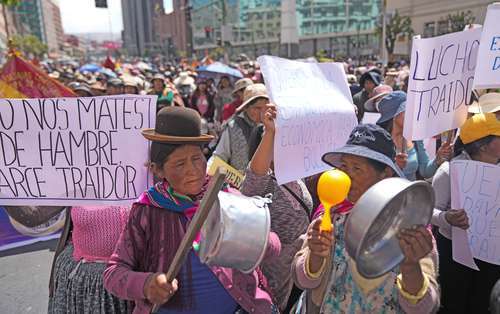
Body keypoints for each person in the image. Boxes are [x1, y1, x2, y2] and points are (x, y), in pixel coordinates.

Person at [103, 106, 280, 314]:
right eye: (179, 164)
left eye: (197, 158)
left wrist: (246, 238)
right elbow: (113, 273)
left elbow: (273, 247)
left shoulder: (226, 197)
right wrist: (147, 284)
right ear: (157, 170)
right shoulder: (148, 210)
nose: (192, 170)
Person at [292, 124, 440, 313]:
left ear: (385, 173)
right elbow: (302, 280)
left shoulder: (410, 227)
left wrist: (411, 266)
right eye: (344, 166)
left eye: (357, 168)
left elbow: (424, 307)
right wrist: (315, 255)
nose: (347, 175)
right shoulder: (331, 216)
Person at [241, 107, 313, 312]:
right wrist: (271, 131)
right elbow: (254, 173)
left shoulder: (296, 176)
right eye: (280, 142)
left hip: (297, 270)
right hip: (270, 275)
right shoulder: (263, 182)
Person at [3, 205, 131, 313]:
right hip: (80, 285)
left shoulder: (144, 178)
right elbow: (34, 216)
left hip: (130, 284)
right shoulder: (75, 180)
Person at [431, 113, 500, 314]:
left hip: (490, 252)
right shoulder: (448, 171)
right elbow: (429, 211)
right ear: (483, 145)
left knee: (482, 302)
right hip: (455, 252)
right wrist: (447, 218)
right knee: (455, 303)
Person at [376, 91, 452, 180]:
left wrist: (437, 159)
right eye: (407, 110)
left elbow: (425, 171)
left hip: (412, 193)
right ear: (394, 116)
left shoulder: (415, 138)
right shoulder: (379, 141)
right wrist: (395, 168)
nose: (412, 115)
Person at [212, 83, 269, 171]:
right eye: (257, 108)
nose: (262, 112)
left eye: (265, 107)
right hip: (240, 182)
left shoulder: (273, 127)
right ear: (246, 108)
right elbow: (220, 156)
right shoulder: (233, 127)